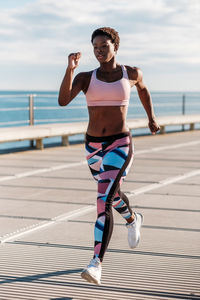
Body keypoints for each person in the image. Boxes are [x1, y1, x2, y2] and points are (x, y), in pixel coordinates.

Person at [58, 27, 160, 285]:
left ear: (115, 46)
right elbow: (63, 100)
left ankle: (96, 263)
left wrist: (151, 118)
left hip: (120, 143)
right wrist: (70, 69)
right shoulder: (85, 77)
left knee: (103, 199)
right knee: (111, 195)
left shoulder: (132, 73)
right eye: (95, 47)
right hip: (92, 146)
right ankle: (133, 218)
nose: (99, 51)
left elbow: (144, 90)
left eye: (104, 46)